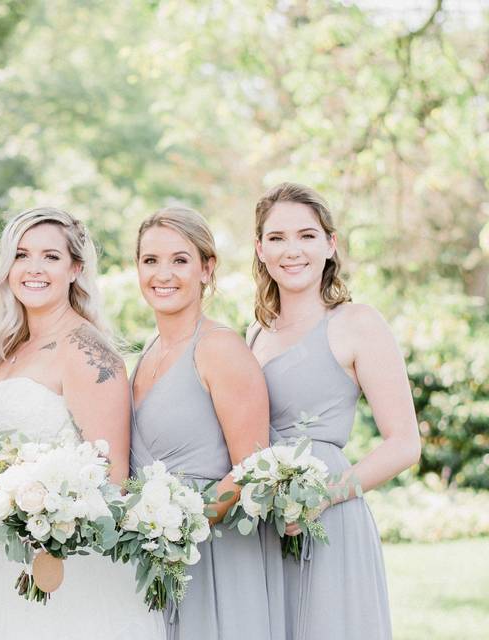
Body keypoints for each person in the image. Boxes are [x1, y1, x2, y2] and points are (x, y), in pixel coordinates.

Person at [0, 206, 166, 640]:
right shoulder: (7, 347)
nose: (33, 268)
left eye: (50, 256)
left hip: (65, 565)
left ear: (75, 269)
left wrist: (46, 519)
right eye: (22, 255)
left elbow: (113, 478)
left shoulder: (88, 351)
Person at [248, 182, 420, 639]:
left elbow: (404, 443)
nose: (292, 250)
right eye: (277, 238)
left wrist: (323, 496)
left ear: (330, 244)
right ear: (260, 249)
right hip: (260, 522)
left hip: (328, 515)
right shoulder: (252, 336)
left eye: (306, 235)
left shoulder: (357, 323)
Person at [129, 206, 283, 639]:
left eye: (180, 260)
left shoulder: (219, 347)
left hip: (212, 554)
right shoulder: (147, 350)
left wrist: (181, 526)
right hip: (152, 555)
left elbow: (255, 466)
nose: (164, 274)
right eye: (150, 261)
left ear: (206, 269)